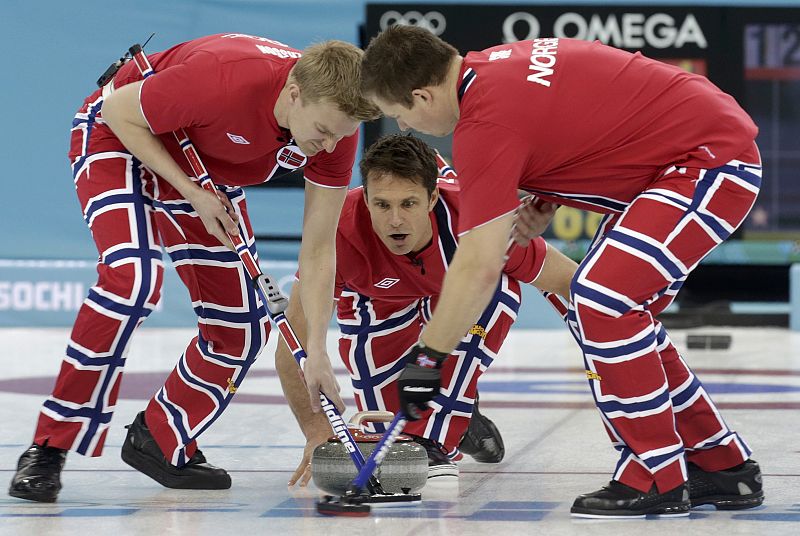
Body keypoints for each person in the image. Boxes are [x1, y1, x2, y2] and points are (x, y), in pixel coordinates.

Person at [360, 25, 764, 518]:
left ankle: (657, 473)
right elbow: (588, 108)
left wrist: (428, 359)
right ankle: (722, 465)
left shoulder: (484, 125)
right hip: (690, 150)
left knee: (601, 299)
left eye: (400, 114)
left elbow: (481, 262)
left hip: (707, 161)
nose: (403, 126)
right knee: (609, 310)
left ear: (422, 95)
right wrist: (547, 195)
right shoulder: (495, 64)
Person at [9, 33, 379, 503]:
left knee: (242, 328)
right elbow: (119, 111)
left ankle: (160, 438)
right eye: (324, 130)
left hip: (202, 163)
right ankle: (48, 447)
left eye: (340, 135)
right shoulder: (226, 77)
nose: (328, 146)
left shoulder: (335, 137)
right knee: (133, 280)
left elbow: (320, 249)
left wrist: (317, 349)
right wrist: (193, 192)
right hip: (120, 137)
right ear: (294, 93)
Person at [277, 133, 577, 485]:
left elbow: (567, 283)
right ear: (366, 199)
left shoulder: (478, 222)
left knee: (495, 284)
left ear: (432, 198)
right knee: (386, 417)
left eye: (408, 203)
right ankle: (462, 422)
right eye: (382, 205)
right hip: (377, 300)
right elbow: (292, 343)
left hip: (461, 290)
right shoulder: (337, 231)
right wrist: (316, 432)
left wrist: (619, 338)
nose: (394, 220)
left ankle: (435, 436)